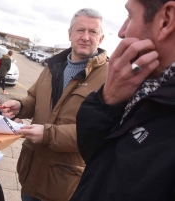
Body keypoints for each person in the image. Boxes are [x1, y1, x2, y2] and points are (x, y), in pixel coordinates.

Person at [70, 0, 175, 200]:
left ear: (166, 20)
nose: (121, 31)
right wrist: (107, 99)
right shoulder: (139, 84)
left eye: (130, 16)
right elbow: (98, 157)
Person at [1, 8, 108, 201]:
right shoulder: (53, 66)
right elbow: (34, 98)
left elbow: (99, 131)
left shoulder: (109, 77)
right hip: (31, 170)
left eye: (93, 32)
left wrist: (48, 134)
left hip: (64, 183)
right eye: (80, 30)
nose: (85, 37)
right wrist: (21, 106)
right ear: (69, 34)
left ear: (101, 38)